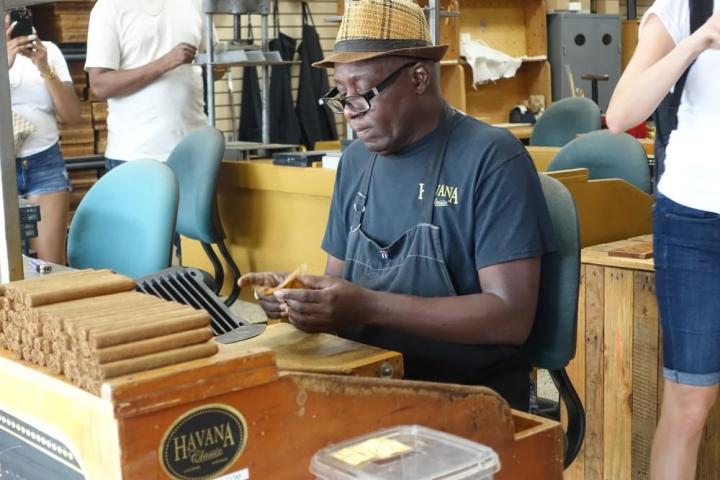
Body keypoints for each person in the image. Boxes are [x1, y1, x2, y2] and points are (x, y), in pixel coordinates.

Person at [239, 0, 557, 410]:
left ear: (420, 78)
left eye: (362, 93)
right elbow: (337, 281)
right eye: (341, 94)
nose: (351, 114)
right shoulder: (355, 162)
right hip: (365, 375)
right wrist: (301, 300)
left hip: (467, 396)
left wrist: (366, 306)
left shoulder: (492, 159)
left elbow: (510, 317)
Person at [606, 1, 720, 478]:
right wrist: (701, 38)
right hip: (694, 224)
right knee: (690, 404)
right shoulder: (684, 9)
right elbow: (621, 115)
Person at [84, 0, 208, 170]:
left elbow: (214, 63)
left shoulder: (196, 3)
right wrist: (165, 63)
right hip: (136, 157)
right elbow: (100, 84)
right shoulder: (109, 7)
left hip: (194, 151)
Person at [6, 11, 81, 264]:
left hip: (44, 165)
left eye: (13, 13)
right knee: (6, 266)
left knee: (50, 267)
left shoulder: (48, 51)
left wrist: (44, 66)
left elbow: (72, 115)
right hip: (2, 168)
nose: (8, 19)